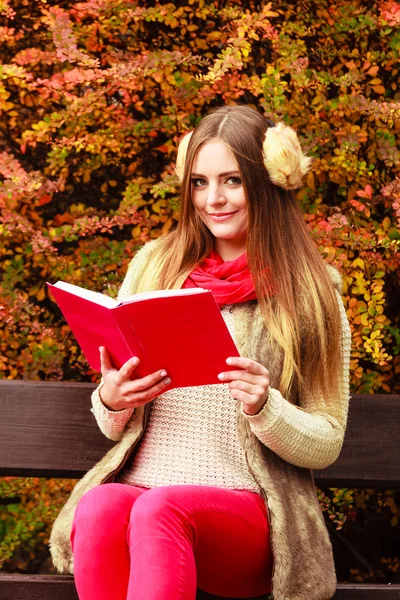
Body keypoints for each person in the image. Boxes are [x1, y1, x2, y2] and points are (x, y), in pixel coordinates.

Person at [49, 104, 352, 600]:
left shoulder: (311, 294)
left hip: (250, 514)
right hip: (143, 494)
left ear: (268, 181)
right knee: (100, 505)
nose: (213, 199)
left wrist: (265, 406)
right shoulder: (154, 267)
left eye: (232, 180)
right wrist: (113, 398)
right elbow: (111, 426)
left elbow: (328, 440)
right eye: (199, 182)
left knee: (160, 508)